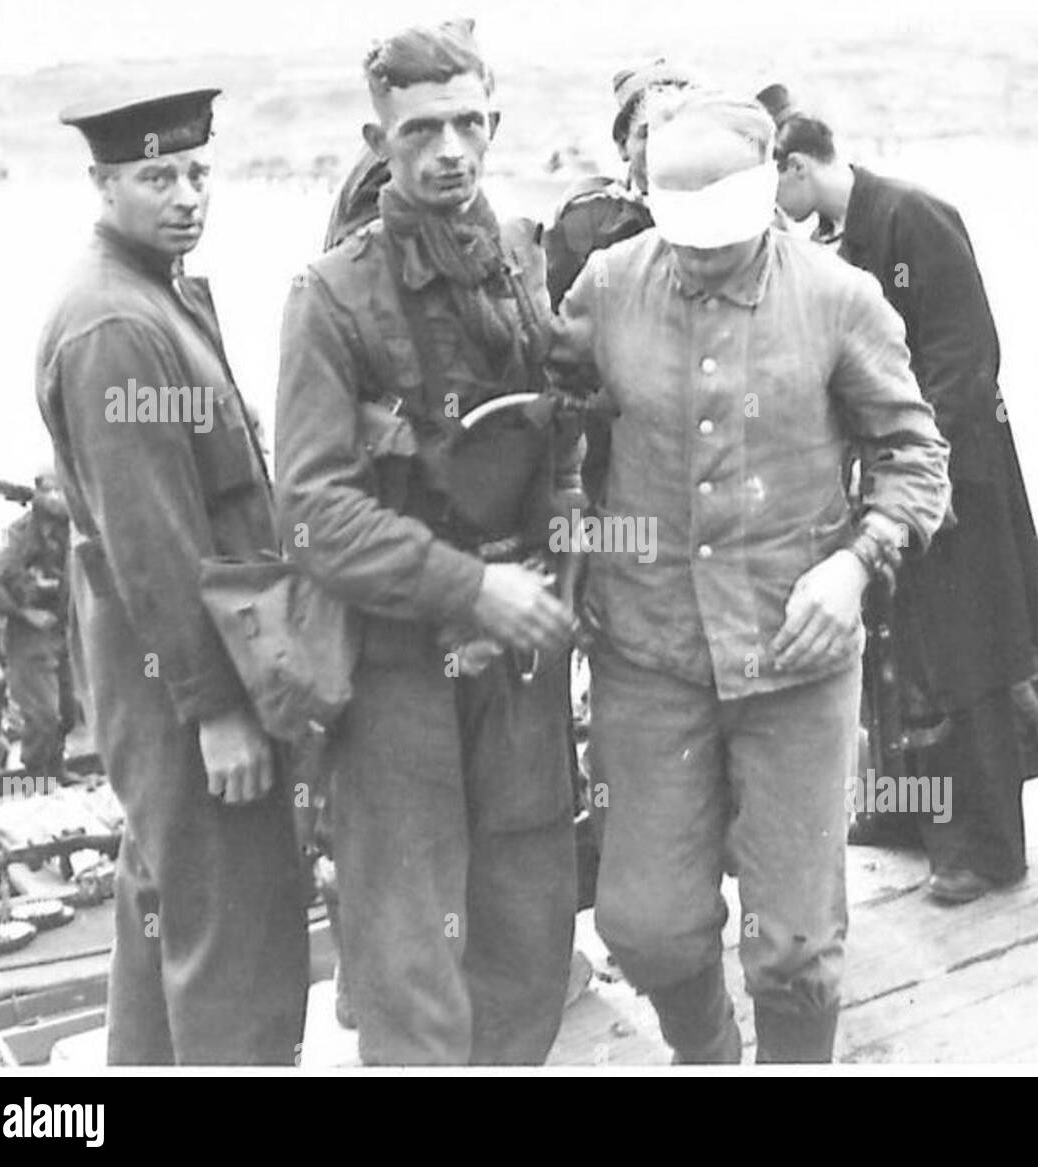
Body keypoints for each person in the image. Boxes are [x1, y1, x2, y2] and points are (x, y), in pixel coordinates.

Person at [549, 91, 950, 1062]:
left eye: (718, 226)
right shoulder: (605, 286)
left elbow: (915, 457)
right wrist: (565, 532)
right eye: (677, 225)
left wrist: (855, 569)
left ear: (772, 185)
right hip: (648, 654)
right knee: (644, 923)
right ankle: (708, 1055)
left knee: (794, 940)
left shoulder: (839, 296)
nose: (697, 251)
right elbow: (552, 429)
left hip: (796, 656)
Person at [275, 20, 581, 1065]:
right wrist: (469, 590)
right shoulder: (330, 297)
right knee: (410, 961)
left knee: (532, 927)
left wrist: (556, 571)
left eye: (466, 124)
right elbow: (314, 512)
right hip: (398, 661)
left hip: (520, 656)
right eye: (419, 131)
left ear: (491, 124)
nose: (447, 150)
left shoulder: (524, 260)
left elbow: (560, 432)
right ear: (379, 138)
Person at [36, 89, 308, 1063]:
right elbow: (152, 541)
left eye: (198, 171)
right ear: (103, 184)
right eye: (157, 176)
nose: (187, 194)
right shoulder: (114, 324)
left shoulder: (153, 291)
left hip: (167, 670)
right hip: (185, 677)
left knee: (164, 905)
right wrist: (217, 711)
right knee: (237, 937)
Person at [770, 96, 1038, 903]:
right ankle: (914, 816)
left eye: (772, 189)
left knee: (967, 661)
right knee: (902, 658)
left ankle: (991, 849)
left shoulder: (915, 216)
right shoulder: (842, 235)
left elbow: (970, 355)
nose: (773, 215)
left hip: (952, 474)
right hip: (890, 476)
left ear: (796, 166)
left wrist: (905, 458)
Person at [543, 58, 694, 504]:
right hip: (610, 422)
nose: (665, 144)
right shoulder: (587, 218)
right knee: (621, 540)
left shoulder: (724, 213)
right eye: (648, 133)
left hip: (699, 415)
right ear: (623, 146)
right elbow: (558, 337)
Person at [0, 468, 74, 777]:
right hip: (29, 639)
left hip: (61, 633)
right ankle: (37, 780)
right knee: (43, 717)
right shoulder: (21, 535)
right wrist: (24, 614)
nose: (59, 498)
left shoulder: (68, 530)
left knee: (66, 714)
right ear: (38, 496)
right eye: (51, 491)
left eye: (63, 490)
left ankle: (56, 773)